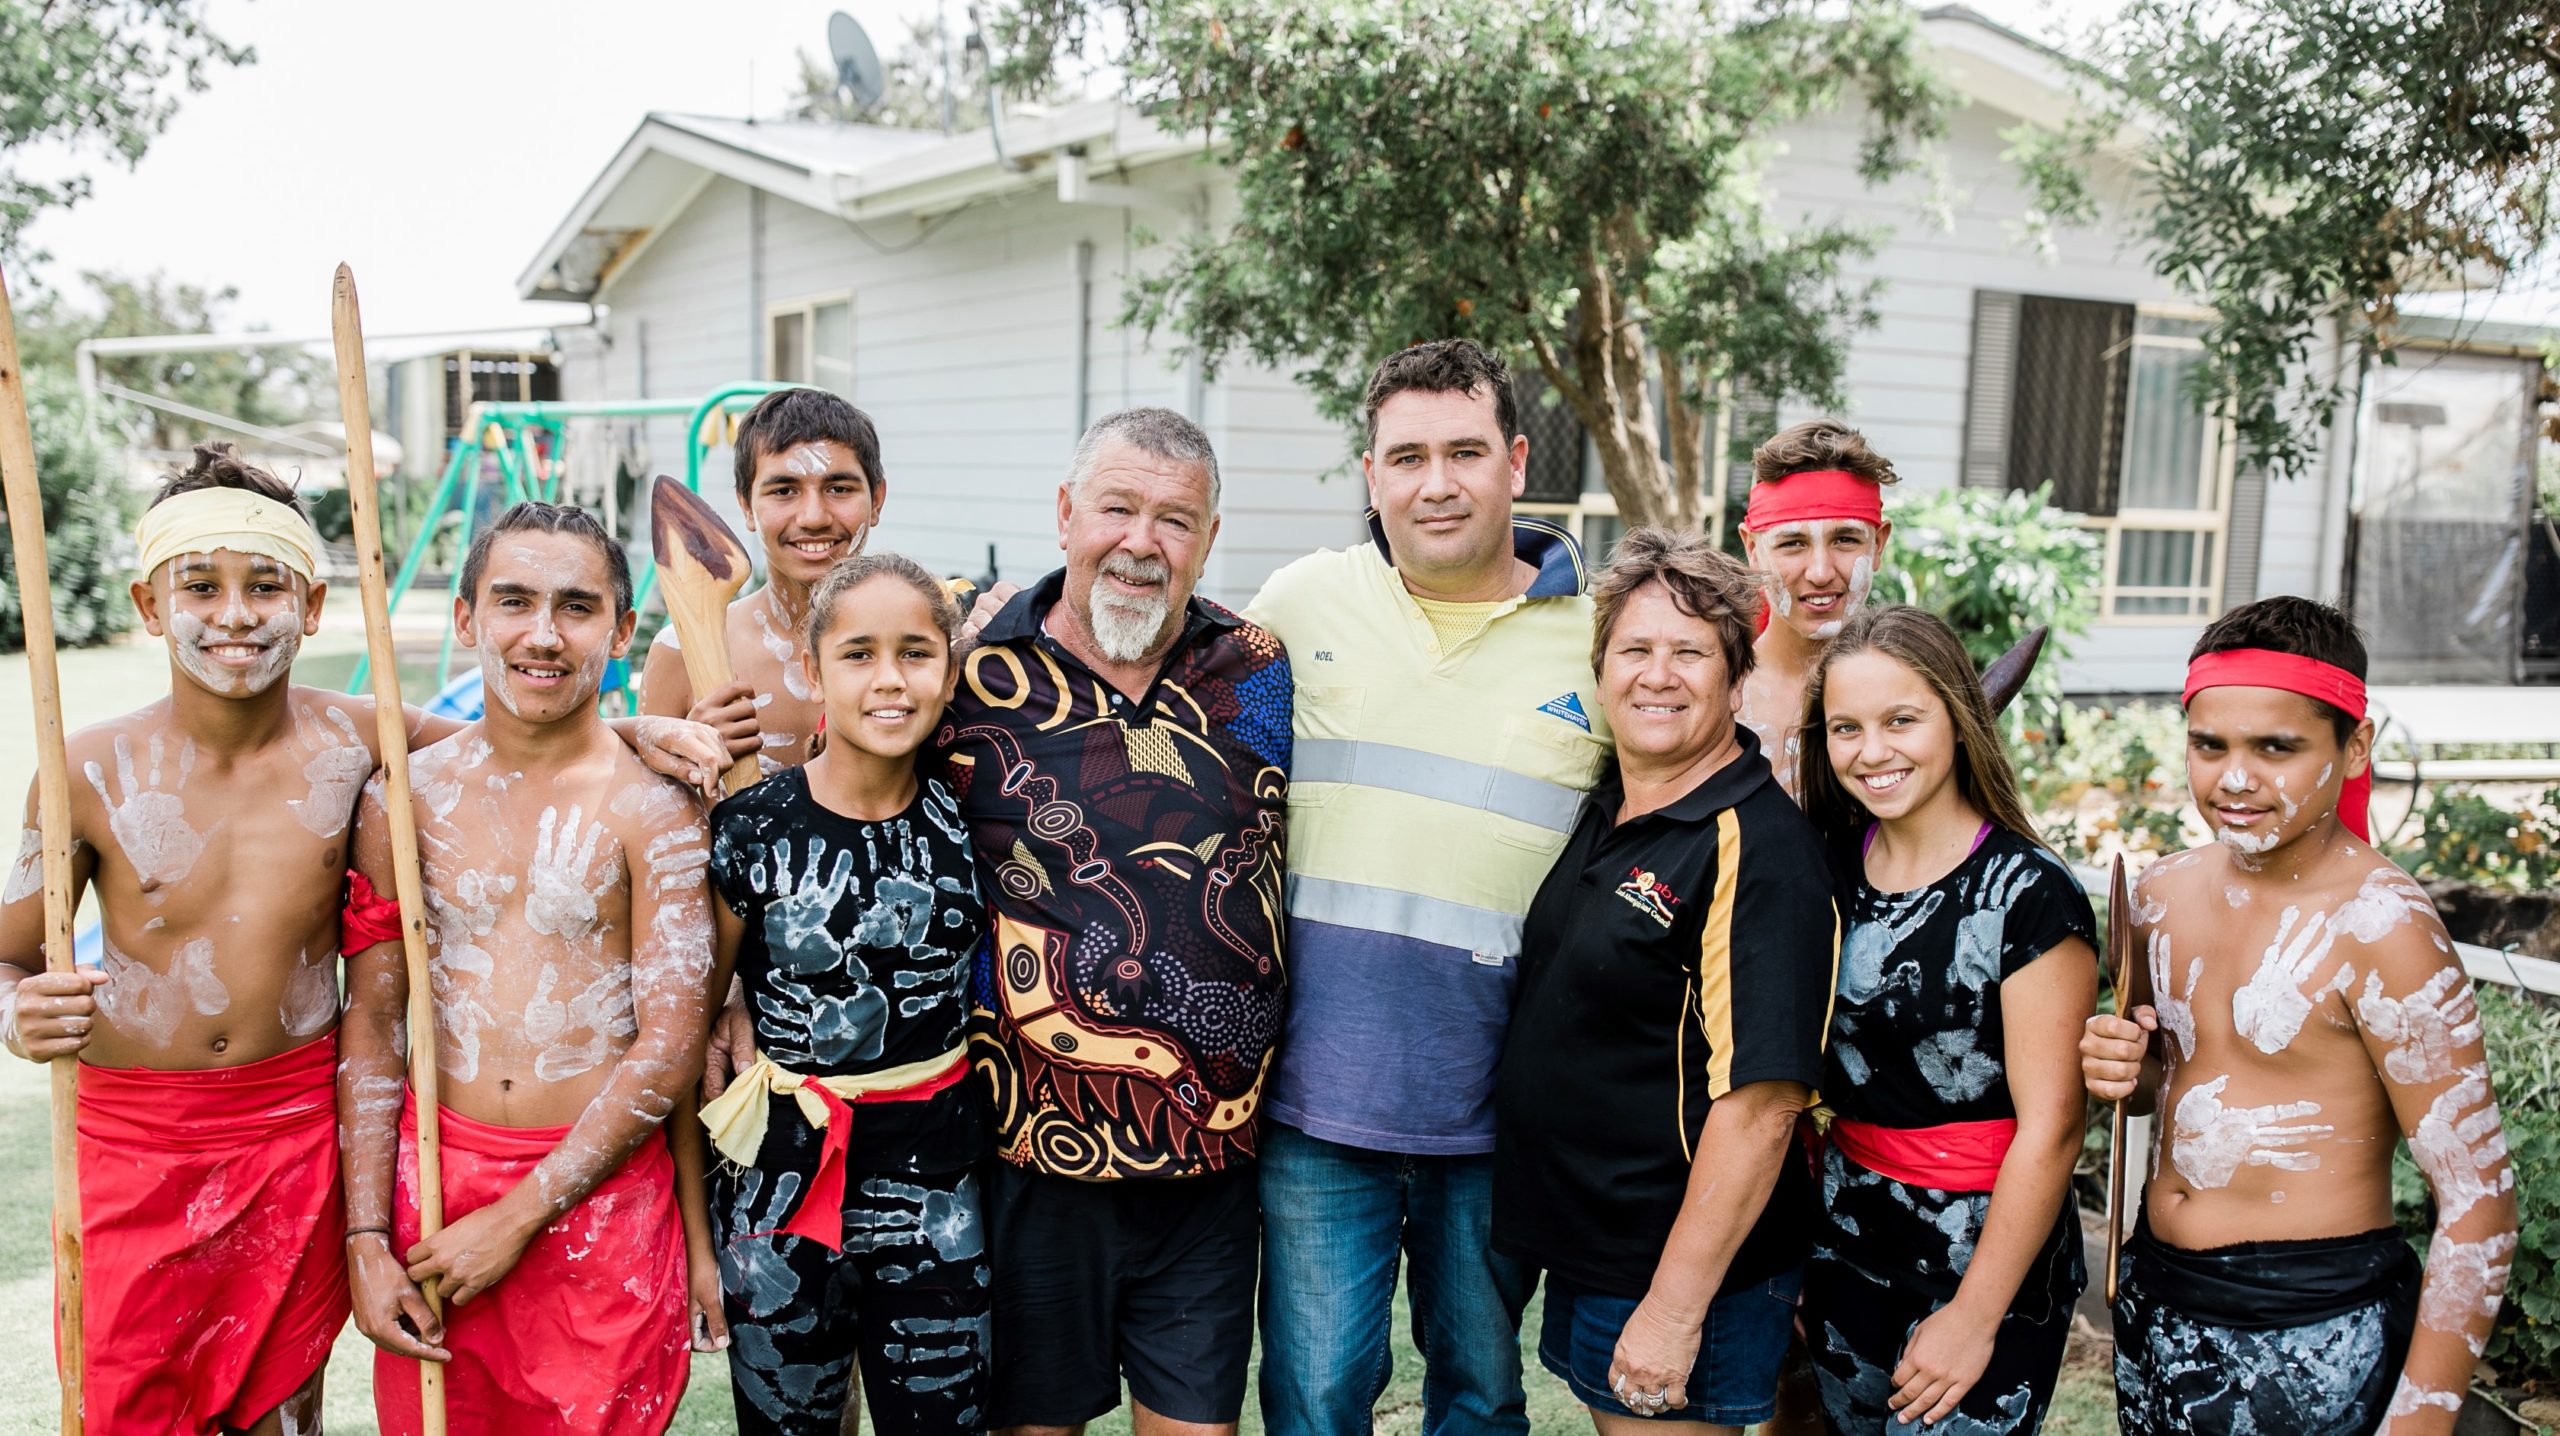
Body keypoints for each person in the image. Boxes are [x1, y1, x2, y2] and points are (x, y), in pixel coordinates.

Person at [0, 446, 718, 1436]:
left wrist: (635, 729)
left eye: (266, 586)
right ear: (149, 604)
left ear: (314, 604)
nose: (238, 614)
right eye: (200, 586)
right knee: (128, 1400)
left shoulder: (357, 737)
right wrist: (15, 1008)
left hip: (297, 1128)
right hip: (137, 1138)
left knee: (279, 1405)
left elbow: (530, 734)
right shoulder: (80, 769)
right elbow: (9, 953)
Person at [1245, 339, 1610, 1436]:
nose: (1436, 482)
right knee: (1314, 1399)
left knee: (1480, 1397)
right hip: (1316, 1095)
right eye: (1406, 456)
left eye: (1463, 451)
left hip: (1500, 1101)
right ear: (1371, 473)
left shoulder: (1598, 638)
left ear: (1515, 458)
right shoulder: (1299, 602)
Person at [2080, 597, 2517, 1435]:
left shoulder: (2381, 924)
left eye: (2276, 747)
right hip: (2158, 1299)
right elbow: (2170, 1089)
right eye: (2210, 745)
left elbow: (2479, 1201)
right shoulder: (2157, 894)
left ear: (2354, 749)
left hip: (2314, 1326)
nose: (2234, 777)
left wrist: (2421, 1417)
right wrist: (2131, 1075)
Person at [937, 407, 1289, 1436]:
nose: (1142, 541)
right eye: (1117, 508)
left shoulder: (1254, 665)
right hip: (1031, 1163)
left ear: (1210, 538)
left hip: (1212, 1165)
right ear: (1063, 513)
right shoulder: (970, 670)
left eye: (1175, 519)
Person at [340, 501, 717, 1436]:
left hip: (596, 1198)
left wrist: (518, 1216)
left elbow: (670, 1046)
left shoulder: (655, 807)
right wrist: (365, 1238)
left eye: (577, 607)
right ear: (466, 618)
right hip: (434, 1186)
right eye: (513, 601)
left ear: (622, 631)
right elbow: (376, 1027)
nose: (542, 635)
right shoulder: (402, 800)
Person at [1492, 526, 1839, 1435]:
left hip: (1681, 1271)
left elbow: (1763, 1105)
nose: (1658, 674)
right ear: (1601, 669)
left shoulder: (1754, 850)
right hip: (1600, 1249)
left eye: (1690, 652)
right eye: (1635, 650)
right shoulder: (1613, 804)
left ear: (1736, 680)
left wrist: (1675, 1310)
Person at [685, 553, 991, 1435]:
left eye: (916, 652)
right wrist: (703, 1248)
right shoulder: (750, 827)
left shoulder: (970, 818)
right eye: (858, 654)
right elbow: (689, 1039)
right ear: (814, 670)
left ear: (949, 667)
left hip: (940, 1201)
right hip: (777, 1204)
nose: (890, 680)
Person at [1792, 606, 2096, 1434]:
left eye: (1902, 720)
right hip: (1848, 1243)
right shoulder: (1826, 870)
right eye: (1845, 728)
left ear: (1959, 720)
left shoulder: (2028, 895)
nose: (1872, 751)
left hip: (1984, 1259)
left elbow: (2055, 1126)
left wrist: (1973, 1316)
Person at [642, 386, 890, 778]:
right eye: (784, 491)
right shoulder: (681, 654)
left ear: (876, 499)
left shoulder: (923, 646)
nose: (813, 517)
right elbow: (644, 818)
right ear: (746, 505)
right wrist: (686, 763)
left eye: (839, 489)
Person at [1733, 421, 1896, 799]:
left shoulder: (1916, 696)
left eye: (1845, 539)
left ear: (1878, 545)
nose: (1821, 573)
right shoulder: (1714, 693)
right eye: (1792, 544)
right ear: (1753, 549)